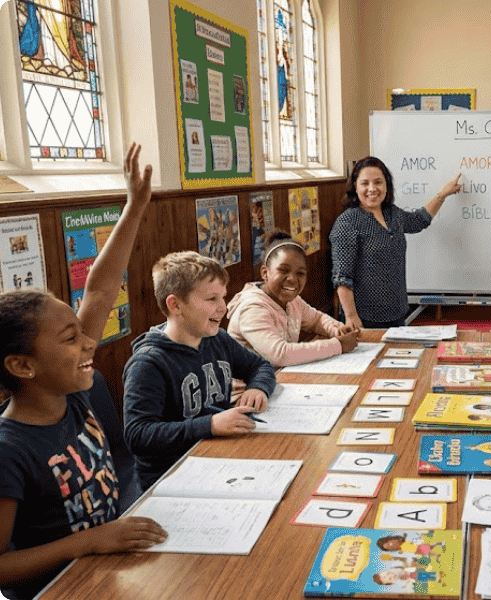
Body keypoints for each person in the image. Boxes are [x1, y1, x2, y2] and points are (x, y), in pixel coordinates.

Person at [0, 143, 167, 600]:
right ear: (22, 365)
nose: (88, 343)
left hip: (108, 566)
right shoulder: (9, 450)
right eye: (70, 339)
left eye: (81, 332)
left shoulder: (69, 393)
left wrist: (133, 207)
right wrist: (90, 541)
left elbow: (99, 289)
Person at [123, 251, 277, 491]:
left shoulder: (217, 339)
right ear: (175, 305)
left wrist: (259, 388)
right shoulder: (148, 363)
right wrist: (211, 425)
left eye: (223, 297)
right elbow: (138, 435)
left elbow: (261, 366)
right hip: (170, 479)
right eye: (211, 299)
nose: (223, 308)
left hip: (217, 457)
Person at [330, 157, 462, 329]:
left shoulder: (392, 213)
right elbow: (342, 278)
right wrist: (351, 316)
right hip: (365, 319)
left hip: (397, 313)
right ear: (355, 187)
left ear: (387, 185)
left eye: (378, 182)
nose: (372, 189)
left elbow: (418, 221)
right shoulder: (347, 222)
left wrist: (442, 194)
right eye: (365, 183)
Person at [227, 229, 358, 366]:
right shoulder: (251, 308)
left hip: (280, 377)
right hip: (249, 385)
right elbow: (280, 355)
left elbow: (316, 320)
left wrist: (337, 329)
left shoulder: (292, 301)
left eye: (300, 273)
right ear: (265, 273)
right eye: (283, 270)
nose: (292, 279)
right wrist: (338, 345)